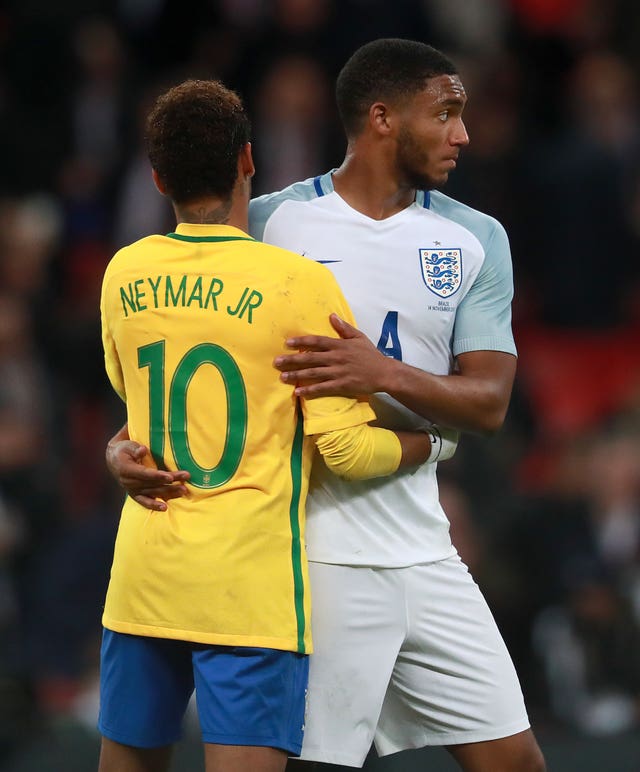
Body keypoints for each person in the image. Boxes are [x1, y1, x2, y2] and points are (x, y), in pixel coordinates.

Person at [107, 40, 546, 771]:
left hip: (424, 547)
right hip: (311, 553)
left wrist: (383, 373)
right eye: (445, 114)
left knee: (517, 761)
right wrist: (122, 445)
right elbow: (199, 363)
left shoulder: (474, 238)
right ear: (381, 118)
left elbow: (491, 402)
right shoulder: (274, 225)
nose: (462, 135)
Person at [97, 77, 435, 772]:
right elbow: (343, 447)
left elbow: (133, 406)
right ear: (249, 161)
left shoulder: (124, 273)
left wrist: (114, 455)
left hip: (143, 580)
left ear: (158, 177)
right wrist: (431, 442)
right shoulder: (295, 283)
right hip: (245, 593)